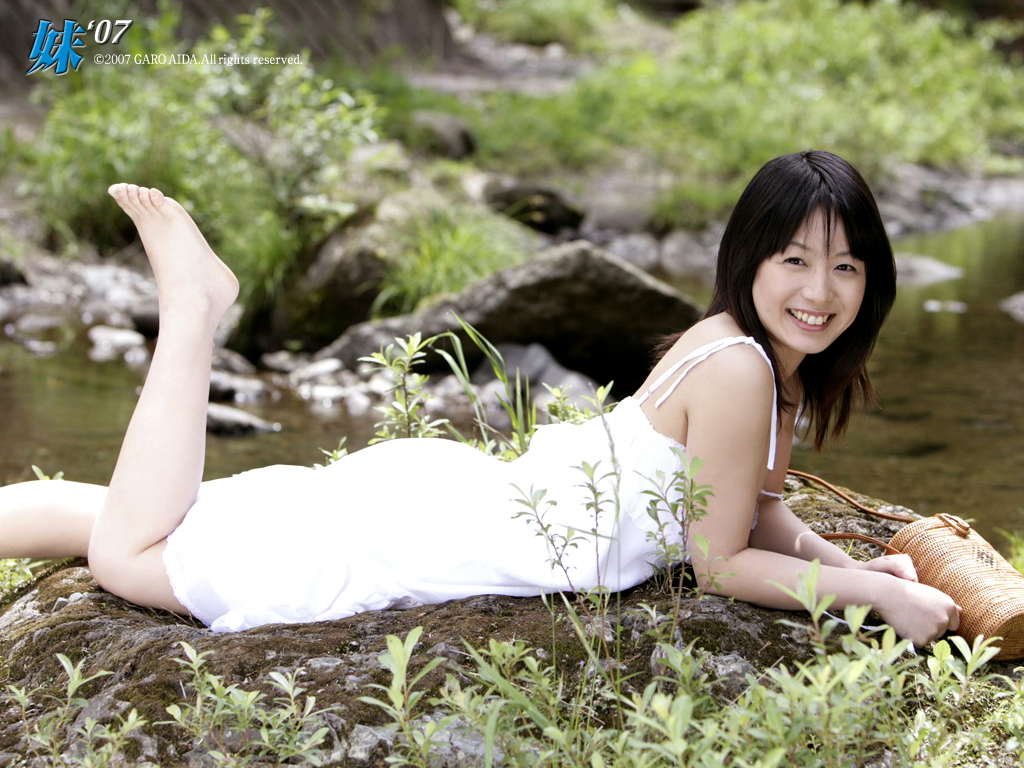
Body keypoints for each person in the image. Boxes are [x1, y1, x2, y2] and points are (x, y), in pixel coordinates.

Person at [0, 151, 959, 643]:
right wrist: (872, 597)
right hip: (440, 532)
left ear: (872, 277)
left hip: (460, 501)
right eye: (795, 260)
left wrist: (865, 570)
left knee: (140, 516)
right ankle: (194, 309)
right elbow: (721, 563)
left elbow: (762, 508)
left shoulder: (758, 360)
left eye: (846, 266)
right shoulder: (744, 369)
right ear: (750, 259)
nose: (820, 291)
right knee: (131, 555)